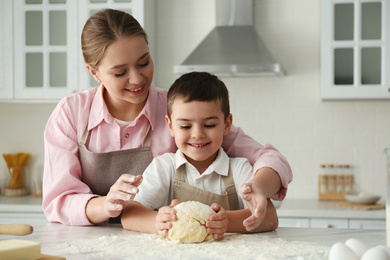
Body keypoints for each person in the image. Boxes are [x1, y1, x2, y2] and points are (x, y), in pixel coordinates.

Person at [42, 8, 292, 226]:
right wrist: (105, 205)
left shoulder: (178, 109)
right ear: (94, 72)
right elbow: (58, 199)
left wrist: (258, 187)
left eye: (144, 62)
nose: (138, 79)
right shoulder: (72, 113)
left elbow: (269, 158)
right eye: (120, 72)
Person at [121, 72, 278, 239]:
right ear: (171, 126)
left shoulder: (238, 169)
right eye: (185, 126)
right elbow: (129, 214)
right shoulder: (165, 167)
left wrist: (227, 222)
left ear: (226, 125)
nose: (197, 134)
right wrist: (156, 222)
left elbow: (269, 217)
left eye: (209, 124)